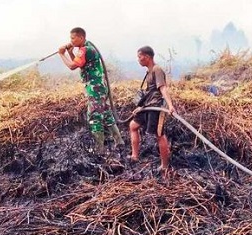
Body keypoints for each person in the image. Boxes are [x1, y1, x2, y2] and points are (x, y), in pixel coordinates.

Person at [58, 27, 124, 154]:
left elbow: (72, 66)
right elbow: (80, 64)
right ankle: (119, 142)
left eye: (73, 38)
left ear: (81, 38)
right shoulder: (86, 48)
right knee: (107, 115)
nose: (70, 41)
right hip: (99, 88)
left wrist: (62, 54)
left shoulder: (85, 49)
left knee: (94, 117)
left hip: (95, 90)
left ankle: (99, 149)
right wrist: (71, 52)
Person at [129, 46, 176, 175]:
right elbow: (149, 92)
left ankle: (165, 166)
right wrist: (140, 107)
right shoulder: (149, 72)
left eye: (140, 57)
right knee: (133, 126)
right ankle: (134, 156)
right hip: (148, 106)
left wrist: (170, 106)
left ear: (147, 57)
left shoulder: (157, 70)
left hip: (156, 107)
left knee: (159, 135)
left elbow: (163, 89)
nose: (138, 59)